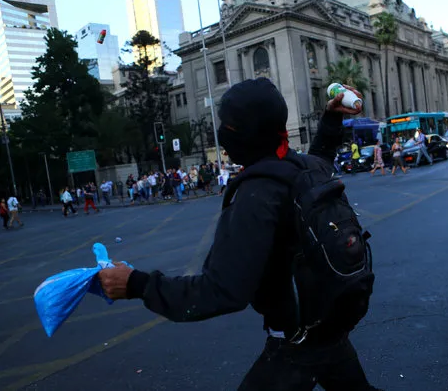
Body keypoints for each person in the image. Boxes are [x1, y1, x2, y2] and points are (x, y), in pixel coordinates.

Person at [98, 78, 379, 390]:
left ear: (241, 136)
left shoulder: (256, 194)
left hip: (298, 345)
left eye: (227, 127)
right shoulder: (305, 168)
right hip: (331, 327)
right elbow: (323, 155)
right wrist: (332, 117)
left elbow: (221, 290)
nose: (221, 133)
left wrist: (136, 284)